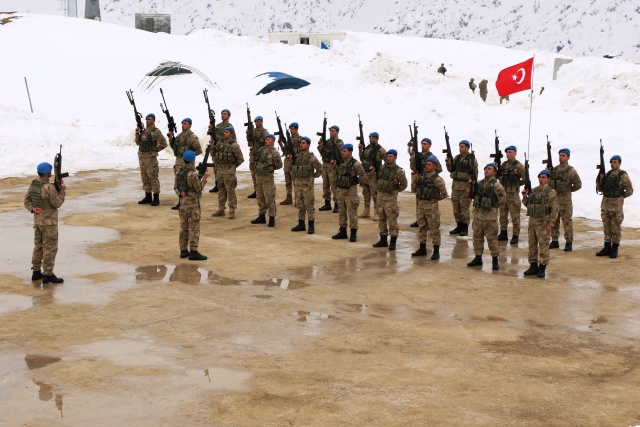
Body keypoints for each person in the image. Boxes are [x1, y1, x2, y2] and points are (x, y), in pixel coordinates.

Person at [24, 162, 66, 283]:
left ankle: (36, 272)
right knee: (50, 248)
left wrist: (32, 209)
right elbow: (57, 203)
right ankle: (48, 274)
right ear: (48, 173)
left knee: (38, 246)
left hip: (38, 222)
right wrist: (62, 191)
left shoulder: (34, 184)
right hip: (49, 223)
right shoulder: (49, 187)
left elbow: (26, 200)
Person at [467, 164, 506, 270]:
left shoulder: (497, 185)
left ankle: (495, 260)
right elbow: (471, 195)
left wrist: (494, 207)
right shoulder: (479, 183)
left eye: (489, 169)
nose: (486, 170)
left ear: (494, 172)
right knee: (477, 239)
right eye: (485, 169)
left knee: (492, 239)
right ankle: (478, 258)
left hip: (490, 218)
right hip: (478, 216)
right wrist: (470, 185)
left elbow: (502, 200)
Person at [522, 170, 559, 278]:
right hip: (532, 222)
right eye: (539, 177)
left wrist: (550, 224)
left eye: (543, 177)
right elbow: (528, 205)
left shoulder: (551, 192)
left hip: (543, 222)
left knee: (543, 245)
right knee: (532, 245)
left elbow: (555, 209)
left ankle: (542, 266)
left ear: (548, 179)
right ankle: (533, 265)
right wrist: (525, 196)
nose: (541, 179)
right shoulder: (533, 191)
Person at [595, 155, 634, 258]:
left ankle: (615, 247)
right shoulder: (607, 174)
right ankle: (607, 246)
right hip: (606, 205)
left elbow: (629, 190)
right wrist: (600, 178)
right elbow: (600, 189)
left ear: (619, 163)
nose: (612, 164)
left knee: (615, 227)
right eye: (611, 162)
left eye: (615, 162)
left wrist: (621, 197)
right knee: (606, 227)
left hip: (616, 207)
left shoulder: (622, 175)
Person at [411, 157, 448, 259]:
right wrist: (415, 180)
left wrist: (435, 200)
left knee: (434, 228)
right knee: (422, 227)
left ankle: (436, 251)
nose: (427, 166)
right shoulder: (421, 178)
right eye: (426, 164)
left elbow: (444, 194)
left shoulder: (437, 179)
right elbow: (413, 190)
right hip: (421, 206)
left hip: (432, 208)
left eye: (429, 164)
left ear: (435, 166)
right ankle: (422, 248)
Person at [175, 150, 208, 261]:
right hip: (193, 204)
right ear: (192, 161)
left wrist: (181, 193)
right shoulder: (192, 174)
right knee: (194, 228)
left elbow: (176, 187)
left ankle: (183, 250)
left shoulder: (179, 171)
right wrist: (205, 179)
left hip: (183, 204)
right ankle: (193, 251)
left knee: (183, 227)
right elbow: (198, 189)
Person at [372, 149, 408, 251]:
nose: (388, 158)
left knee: (392, 221)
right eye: (387, 156)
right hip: (381, 197)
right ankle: (383, 239)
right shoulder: (382, 168)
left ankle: (393, 241)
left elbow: (404, 184)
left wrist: (395, 190)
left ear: (395, 157)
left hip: (390, 199)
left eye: (391, 156)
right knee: (382, 220)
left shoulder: (398, 171)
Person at [548, 148, 582, 251]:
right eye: (560, 155)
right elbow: (548, 183)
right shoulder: (554, 170)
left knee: (567, 222)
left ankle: (568, 242)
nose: (561, 157)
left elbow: (578, 184)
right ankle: (554, 241)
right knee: (554, 221)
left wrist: (568, 190)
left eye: (563, 155)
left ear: (568, 157)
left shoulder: (571, 171)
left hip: (565, 201)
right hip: (555, 200)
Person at [332, 144, 366, 242]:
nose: (343, 152)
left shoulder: (356, 164)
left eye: (345, 151)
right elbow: (336, 175)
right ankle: (342, 231)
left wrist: (356, 182)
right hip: (340, 191)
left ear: (350, 152)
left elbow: (363, 176)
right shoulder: (339, 163)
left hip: (351, 192)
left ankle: (353, 233)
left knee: (352, 213)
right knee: (341, 212)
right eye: (342, 150)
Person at [168, 118, 202, 210]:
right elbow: (175, 148)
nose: (183, 125)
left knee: (188, 184)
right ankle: (181, 201)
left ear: (190, 125)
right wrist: (170, 138)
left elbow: (198, 150)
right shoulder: (179, 136)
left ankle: (189, 201)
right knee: (179, 183)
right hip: (179, 162)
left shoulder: (192, 137)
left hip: (188, 164)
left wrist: (189, 156)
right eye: (182, 123)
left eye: (185, 123)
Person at [290, 136, 323, 234]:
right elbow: (290, 168)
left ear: (308, 145)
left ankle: (311, 225)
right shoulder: (297, 156)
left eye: (304, 143)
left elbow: (320, 169)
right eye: (300, 143)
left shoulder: (311, 157)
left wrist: (313, 176)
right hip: (298, 185)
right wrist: (289, 159)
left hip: (307, 186)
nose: (301, 144)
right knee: (300, 205)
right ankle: (301, 224)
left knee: (309, 205)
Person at [445, 140, 477, 237]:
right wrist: (448, 163)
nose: (460, 148)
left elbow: (474, 173)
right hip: (455, 187)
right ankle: (459, 225)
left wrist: (472, 185)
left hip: (465, 188)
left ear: (467, 147)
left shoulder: (471, 159)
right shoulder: (457, 158)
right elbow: (451, 170)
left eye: (462, 146)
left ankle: (465, 227)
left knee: (464, 209)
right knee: (456, 208)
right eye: (460, 146)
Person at [211, 127, 244, 219]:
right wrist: (212, 148)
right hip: (220, 171)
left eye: (227, 132)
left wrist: (232, 167)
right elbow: (213, 155)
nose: (224, 133)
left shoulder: (234, 145)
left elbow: (240, 159)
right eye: (224, 132)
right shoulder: (219, 143)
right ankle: (221, 209)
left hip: (229, 172)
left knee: (230, 191)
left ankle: (232, 210)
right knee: (221, 191)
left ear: (231, 134)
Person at [135, 113, 168, 206]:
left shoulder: (156, 131)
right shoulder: (143, 131)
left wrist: (155, 150)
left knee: (153, 177)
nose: (147, 121)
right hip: (142, 156)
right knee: (144, 177)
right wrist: (137, 133)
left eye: (149, 119)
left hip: (150, 158)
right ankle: (148, 196)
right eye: (146, 119)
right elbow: (138, 142)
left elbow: (164, 143)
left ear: (153, 120)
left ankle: (156, 197)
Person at [251, 134, 283, 227]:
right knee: (260, 197)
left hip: (267, 178)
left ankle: (272, 217)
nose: (266, 141)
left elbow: (279, 165)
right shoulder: (261, 150)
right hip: (259, 177)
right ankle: (262, 216)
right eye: (266, 139)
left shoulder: (274, 152)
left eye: (268, 139)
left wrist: (270, 168)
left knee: (269, 198)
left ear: (273, 141)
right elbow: (256, 160)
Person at [410, 137, 443, 227]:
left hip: (428, 181)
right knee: (419, 200)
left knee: (428, 201)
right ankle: (419, 219)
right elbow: (413, 167)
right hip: (419, 179)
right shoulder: (418, 155)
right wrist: (412, 157)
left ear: (429, 146)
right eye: (422, 144)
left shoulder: (432, 157)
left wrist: (430, 174)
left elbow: (439, 169)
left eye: (425, 144)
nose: (423, 146)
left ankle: (429, 221)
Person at [497, 145, 526, 244]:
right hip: (503, 194)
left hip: (513, 195)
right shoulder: (504, 165)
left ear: (515, 153)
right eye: (507, 152)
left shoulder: (519, 166)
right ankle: (503, 233)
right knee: (503, 215)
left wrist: (517, 184)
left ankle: (515, 235)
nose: (508, 154)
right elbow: (498, 176)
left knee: (515, 216)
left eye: (510, 152)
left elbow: (525, 178)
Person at [358, 131, 386, 220]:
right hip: (365, 173)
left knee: (375, 193)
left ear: (377, 139)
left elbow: (387, 161)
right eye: (370, 138)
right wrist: (360, 149)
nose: (372, 139)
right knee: (366, 193)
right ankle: (366, 211)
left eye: (373, 138)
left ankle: (377, 212)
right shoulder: (367, 148)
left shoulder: (380, 149)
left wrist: (380, 170)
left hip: (374, 174)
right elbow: (362, 159)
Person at [318, 125, 344, 213]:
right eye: (330, 131)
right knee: (325, 185)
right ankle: (327, 203)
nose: (331, 132)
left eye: (333, 131)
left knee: (334, 186)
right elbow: (322, 153)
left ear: (337, 132)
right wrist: (321, 145)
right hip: (325, 165)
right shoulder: (327, 141)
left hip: (333, 166)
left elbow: (340, 154)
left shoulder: (339, 142)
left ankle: (337, 204)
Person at [208, 108, 234, 193]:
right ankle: (217, 184)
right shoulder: (218, 126)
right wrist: (211, 129)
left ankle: (226, 185)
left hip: (225, 149)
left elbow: (232, 138)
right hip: (217, 149)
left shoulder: (229, 127)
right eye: (222, 113)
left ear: (229, 116)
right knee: (216, 168)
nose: (223, 115)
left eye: (225, 114)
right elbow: (212, 135)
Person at [247, 115, 269, 199]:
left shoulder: (264, 131)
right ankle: (256, 190)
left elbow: (267, 142)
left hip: (261, 155)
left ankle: (262, 191)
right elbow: (249, 142)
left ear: (261, 122)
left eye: (258, 121)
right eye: (256, 122)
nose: (257, 123)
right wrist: (248, 135)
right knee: (253, 172)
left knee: (261, 173)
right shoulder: (253, 131)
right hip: (253, 154)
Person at [280, 122, 301, 205]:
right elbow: (284, 151)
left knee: (296, 183)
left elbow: (301, 151)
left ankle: (297, 200)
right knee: (288, 183)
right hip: (287, 164)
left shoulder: (300, 139)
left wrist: (292, 154)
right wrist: (281, 144)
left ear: (296, 129)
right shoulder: (288, 140)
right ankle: (289, 199)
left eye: (292, 129)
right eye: (290, 129)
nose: (291, 131)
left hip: (294, 164)